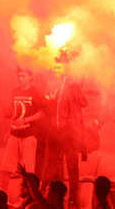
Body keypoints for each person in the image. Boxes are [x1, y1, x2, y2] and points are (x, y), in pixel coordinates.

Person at [41, 61, 88, 207]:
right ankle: (46, 195)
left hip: (70, 132)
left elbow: (83, 103)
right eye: (54, 67)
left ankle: (73, 199)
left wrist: (75, 86)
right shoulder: (52, 86)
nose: (56, 69)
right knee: (50, 165)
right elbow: (48, 112)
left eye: (59, 67)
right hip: (55, 131)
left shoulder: (72, 86)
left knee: (72, 167)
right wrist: (52, 101)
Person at [0, 68, 47, 188]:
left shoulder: (36, 92)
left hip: (29, 135)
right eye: (19, 76)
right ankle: (2, 195)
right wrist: (9, 131)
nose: (21, 79)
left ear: (30, 77)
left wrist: (26, 120)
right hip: (15, 134)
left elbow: (42, 113)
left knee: (27, 171)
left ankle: (26, 197)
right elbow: (14, 113)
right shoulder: (16, 91)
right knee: (5, 168)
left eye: (23, 76)